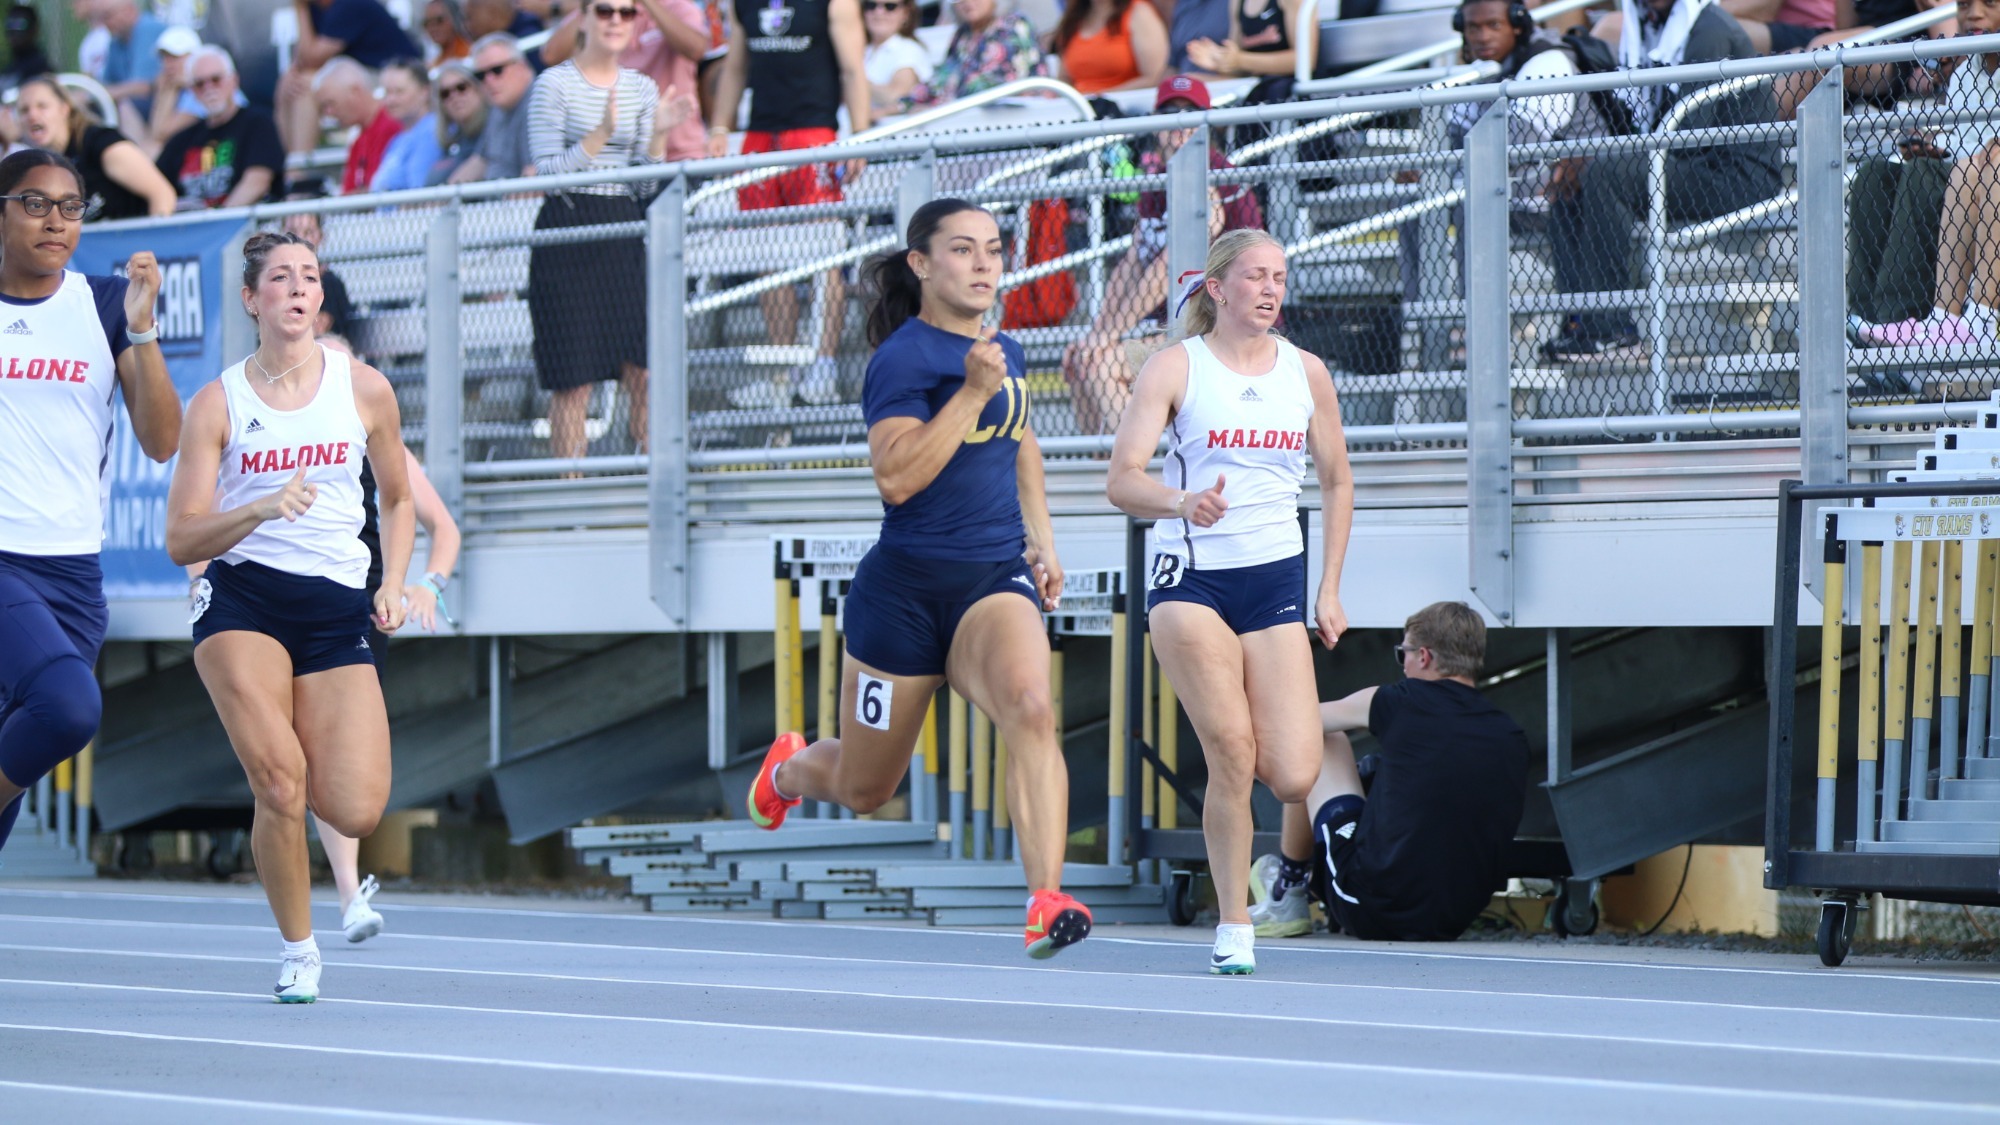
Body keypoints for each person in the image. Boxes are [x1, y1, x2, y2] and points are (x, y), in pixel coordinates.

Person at [746, 199, 1094, 960]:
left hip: (992, 581)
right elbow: (896, 477)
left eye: (993, 251)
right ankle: (790, 768)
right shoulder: (902, 360)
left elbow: (1021, 440)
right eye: (962, 250)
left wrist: (1043, 541)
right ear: (922, 264)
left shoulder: (1005, 350)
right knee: (869, 788)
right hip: (901, 599)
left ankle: (1045, 897)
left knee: (1032, 707)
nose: (981, 265)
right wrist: (969, 392)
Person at [165, 230, 415, 1002]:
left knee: (355, 803)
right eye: (281, 278)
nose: (299, 289)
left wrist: (394, 581)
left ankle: (311, 866)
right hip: (244, 598)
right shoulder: (219, 403)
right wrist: (260, 507)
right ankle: (299, 948)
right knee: (280, 782)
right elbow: (181, 536)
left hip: (336, 606)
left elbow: (400, 499)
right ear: (253, 300)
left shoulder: (364, 387)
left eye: (309, 276)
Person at [1106, 228, 1353, 975]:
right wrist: (1182, 501)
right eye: (1254, 276)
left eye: (1279, 276)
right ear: (1217, 288)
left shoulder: (1306, 372)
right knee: (1233, 752)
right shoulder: (1176, 368)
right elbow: (1122, 479)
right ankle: (1236, 922)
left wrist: (1329, 586)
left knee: (1294, 772)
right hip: (1193, 578)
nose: (1271, 289)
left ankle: (1252, 884)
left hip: (1274, 577)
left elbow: (1338, 480)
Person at [184, 333, 460, 944]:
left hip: (351, 612)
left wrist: (422, 586)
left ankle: (337, 873)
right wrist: (202, 580)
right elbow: (196, 518)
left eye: (332, 364)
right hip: (257, 605)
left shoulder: (368, 423)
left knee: (345, 786)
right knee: (284, 774)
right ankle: (336, 901)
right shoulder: (255, 424)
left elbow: (436, 522)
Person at [0, 149, 178, 864]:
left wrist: (142, 330)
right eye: (35, 203)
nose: (56, 221)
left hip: (73, 573)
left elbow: (162, 439)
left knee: (18, 759)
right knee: (67, 708)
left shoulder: (104, 303)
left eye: (71, 207)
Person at [1248, 602, 1531, 943]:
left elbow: (1296, 722)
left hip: (1369, 905)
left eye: (1403, 655)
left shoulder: (1400, 700)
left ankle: (1288, 889)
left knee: (1321, 737)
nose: (1404, 666)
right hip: (1454, 918)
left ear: (1424, 657)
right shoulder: (1510, 734)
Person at [1541, 0, 1781, 360]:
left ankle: (1613, 330)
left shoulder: (1710, 30)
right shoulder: (1648, 25)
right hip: (1696, 165)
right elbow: (1645, 126)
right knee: (1569, 184)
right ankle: (1581, 322)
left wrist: (1600, 157)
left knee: (1605, 173)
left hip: (1737, 176)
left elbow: (1687, 134)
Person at [527, 0, 686, 459]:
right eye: (604, 10)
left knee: (645, 369)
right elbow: (549, 172)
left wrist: (659, 135)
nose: (616, 20)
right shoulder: (553, 83)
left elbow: (646, 182)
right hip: (568, 230)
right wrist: (599, 134)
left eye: (627, 11)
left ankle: (653, 482)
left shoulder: (642, 87)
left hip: (623, 227)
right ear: (583, 16)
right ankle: (571, 501)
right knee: (572, 380)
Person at [1063, 75, 1263, 435]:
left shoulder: (1216, 174)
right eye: (1170, 113)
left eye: (1191, 113)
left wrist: (1111, 336)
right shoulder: (1158, 178)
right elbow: (1134, 261)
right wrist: (1099, 332)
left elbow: (1171, 263)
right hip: (1180, 327)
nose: (1180, 123)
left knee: (1102, 364)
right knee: (1081, 358)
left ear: (1208, 121)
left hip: (1221, 329)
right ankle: (1099, 467)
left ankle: (1138, 471)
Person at [709, 0, 870, 409]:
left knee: (824, 256)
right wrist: (720, 127)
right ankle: (783, 371)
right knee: (770, 257)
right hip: (761, 136)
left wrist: (860, 137)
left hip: (813, 133)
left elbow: (853, 69)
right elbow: (735, 66)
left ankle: (823, 367)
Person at [1853, 0, 2000, 349]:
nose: (1974, 14)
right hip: (1973, 176)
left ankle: (1954, 320)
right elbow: (1967, 147)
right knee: (1875, 174)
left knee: (1949, 173)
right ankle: (1877, 321)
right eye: (1964, 5)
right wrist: (1936, 146)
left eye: (1989, 3)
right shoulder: (1966, 71)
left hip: (1988, 176)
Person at [542, 0, 709, 160]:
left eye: (626, 14)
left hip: (680, 153)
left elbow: (696, 49)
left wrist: (648, 3)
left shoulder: (679, 7)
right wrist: (592, 7)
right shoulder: (604, 10)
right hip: (623, 158)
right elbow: (551, 55)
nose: (616, 20)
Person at [15, 75, 176, 219]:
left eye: (42, 106)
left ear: (65, 109)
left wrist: (153, 247)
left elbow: (162, 194)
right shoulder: (39, 165)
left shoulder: (102, 144)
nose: (32, 115)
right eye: (24, 110)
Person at [279, 0, 422, 160]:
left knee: (305, 85)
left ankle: (299, 168)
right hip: (357, 71)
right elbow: (303, 59)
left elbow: (311, 59)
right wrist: (293, 72)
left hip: (392, 74)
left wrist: (300, 9)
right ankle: (290, 162)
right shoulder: (318, 9)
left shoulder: (350, 5)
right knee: (287, 83)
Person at [156, 46, 286, 209]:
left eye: (216, 79)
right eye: (200, 84)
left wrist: (220, 224)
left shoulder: (258, 123)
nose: (209, 88)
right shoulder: (181, 140)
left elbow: (257, 183)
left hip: (246, 229)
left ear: (234, 80)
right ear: (192, 91)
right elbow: (156, 189)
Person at [904, 0, 1050, 108]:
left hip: (1021, 127)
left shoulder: (1014, 24)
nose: (967, 2)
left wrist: (932, 106)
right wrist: (902, 105)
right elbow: (939, 81)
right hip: (971, 125)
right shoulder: (962, 35)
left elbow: (990, 85)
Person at [452, 31, 537, 182]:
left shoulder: (540, 103)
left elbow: (535, 174)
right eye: (481, 75)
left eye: (497, 70)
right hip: (499, 201)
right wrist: (443, 194)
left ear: (522, 67)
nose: (489, 80)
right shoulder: (497, 109)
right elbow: (480, 161)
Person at [314, 58, 403, 194]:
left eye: (330, 104)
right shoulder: (359, 139)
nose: (328, 113)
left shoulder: (392, 125)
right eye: (324, 107)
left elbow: (385, 190)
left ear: (355, 92)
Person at [1050, 0, 1169, 95]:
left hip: (1125, 112)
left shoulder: (1139, 13)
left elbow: (1154, 77)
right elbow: (1064, 79)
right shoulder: (1074, 18)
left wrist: (1100, 97)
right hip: (1079, 111)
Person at [283, 186, 355, 338]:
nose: (299, 239)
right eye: (292, 231)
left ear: (320, 236)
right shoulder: (273, 282)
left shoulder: (329, 283)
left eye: (308, 232)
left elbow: (320, 331)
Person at [1184, 0, 1316, 83]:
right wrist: (1220, 60)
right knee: (1186, 82)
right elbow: (1236, 65)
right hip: (1253, 88)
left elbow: (1305, 60)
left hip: (1288, 91)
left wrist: (1240, 60)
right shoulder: (1237, 2)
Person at [368, 59, 445, 193]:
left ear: (424, 91)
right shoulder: (397, 140)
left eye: (399, 92)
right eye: (387, 92)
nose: (390, 100)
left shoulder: (431, 131)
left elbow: (418, 195)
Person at [861, 0, 933, 113]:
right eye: (871, 5)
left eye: (890, 6)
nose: (879, 12)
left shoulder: (909, 49)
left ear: (905, 13)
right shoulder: (863, 49)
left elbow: (898, 96)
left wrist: (852, 79)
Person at [428, 60, 490, 184]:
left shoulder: (495, 128)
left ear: (478, 88)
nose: (454, 96)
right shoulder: (451, 142)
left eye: (461, 87)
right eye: (445, 93)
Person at [1, 5, 52, 94]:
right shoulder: (9, 69)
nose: (14, 30)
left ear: (35, 29)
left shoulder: (40, 70)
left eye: (20, 24)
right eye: (10, 24)